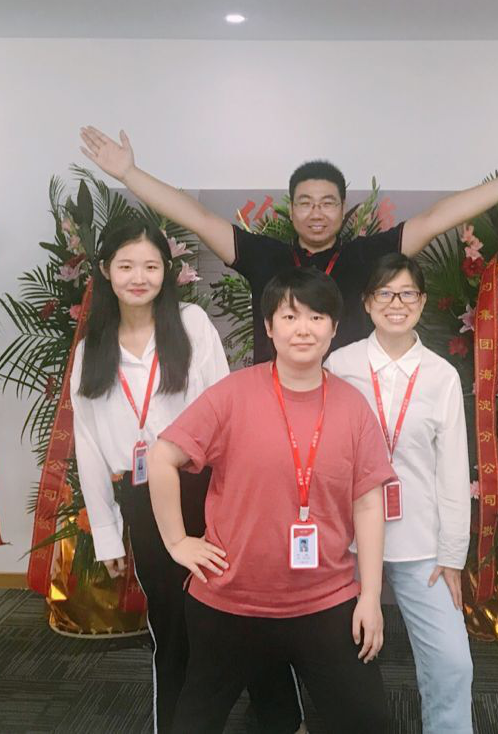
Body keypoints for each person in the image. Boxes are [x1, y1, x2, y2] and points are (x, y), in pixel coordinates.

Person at [69, 222, 298, 733]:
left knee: (243, 609)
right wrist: (106, 533)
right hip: (142, 498)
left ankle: (281, 718)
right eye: (126, 266)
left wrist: (242, 498)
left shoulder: (191, 324)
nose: (139, 277)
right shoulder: (91, 350)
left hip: (207, 487)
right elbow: (87, 445)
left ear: (166, 271)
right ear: (105, 271)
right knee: (172, 625)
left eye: (151, 266)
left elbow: (228, 410)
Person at [148, 268, 395, 734]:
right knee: (195, 723)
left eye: (316, 317)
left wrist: (370, 596)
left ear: (334, 328)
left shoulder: (353, 407)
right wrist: (178, 542)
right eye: (289, 316)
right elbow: (162, 456)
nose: (303, 329)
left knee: (369, 721)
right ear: (269, 327)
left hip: (325, 600)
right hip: (230, 601)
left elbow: (368, 503)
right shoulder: (232, 395)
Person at [79, 125, 498, 360]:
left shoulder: (367, 256)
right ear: (291, 209)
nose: (316, 212)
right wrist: (129, 173)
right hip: (276, 398)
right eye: (305, 202)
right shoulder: (264, 256)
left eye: (327, 202)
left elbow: (435, 219)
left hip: (350, 398)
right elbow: (198, 217)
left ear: (343, 208)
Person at [326, 253, 474, 733]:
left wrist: (452, 555)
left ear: (422, 302)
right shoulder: (340, 365)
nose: (397, 303)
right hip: (347, 539)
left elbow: (452, 471)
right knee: (335, 654)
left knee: (453, 663)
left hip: (420, 544)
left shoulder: (441, 375)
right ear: (367, 303)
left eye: (407, 293)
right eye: (385, 293)